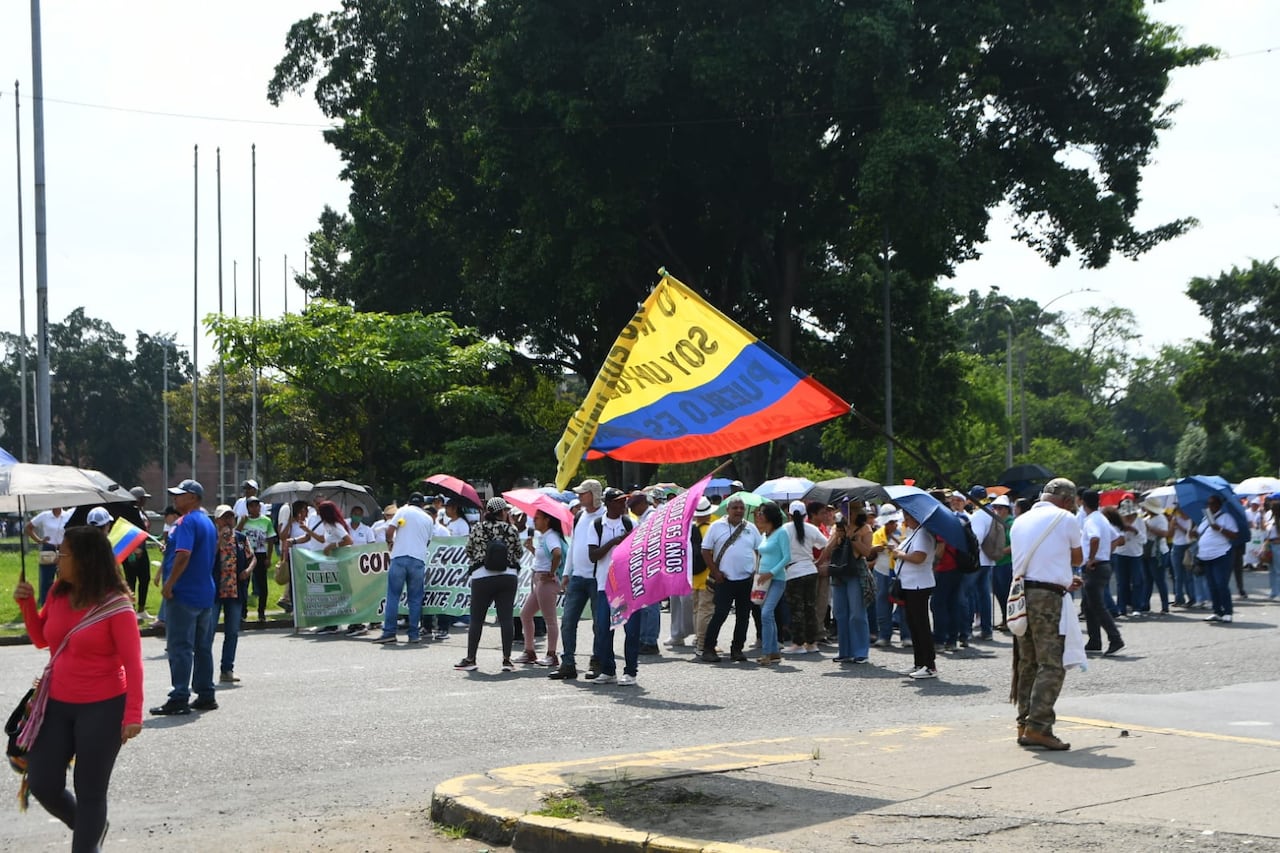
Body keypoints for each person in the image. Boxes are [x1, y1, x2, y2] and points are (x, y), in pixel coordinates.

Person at [13, 525, 143, 851]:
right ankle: (91, 827)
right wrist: (27, 605)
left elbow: (133, 665)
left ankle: (87, 838)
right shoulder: (59, 591)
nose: (58, 559)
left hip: (103, 706)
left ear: (84, 559)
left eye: (64, 553)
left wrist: (133, 714)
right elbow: (43, 638)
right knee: (43, 782)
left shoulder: (117, 605)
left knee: (90, 791)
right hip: (56, 703)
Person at [1009, 477, 1084, 751]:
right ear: (1067, 500)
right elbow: (1077, 559)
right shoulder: (1066, 518)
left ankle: (1023, 723)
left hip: (1020, 594)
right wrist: (1065, 575)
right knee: (1052, 663)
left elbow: (1040, 562)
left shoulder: (1020, 520)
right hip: (1047, 598)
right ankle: (1039, 727)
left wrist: (1062, 578)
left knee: (1027, 662)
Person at [151, 478, 219, 716]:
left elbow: (183, 555)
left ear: (193, 498)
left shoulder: (186, 522)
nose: (175, 498)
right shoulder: (208, 522)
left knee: (179, 647)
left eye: (180, 494)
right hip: (204, 592)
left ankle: (179, 696)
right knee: (202, 647)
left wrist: (169, 584)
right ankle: (206, 693)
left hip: (184, 593)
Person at [454, 498, 522, 671]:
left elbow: (469, 550)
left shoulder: (477, 527)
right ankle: (507, 659)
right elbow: (519, 552)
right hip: (507, 576)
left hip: (481, 576)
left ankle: (471, 659)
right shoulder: (511, 529)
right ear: (501, 512)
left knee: (477, 619)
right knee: (506, 618)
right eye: (505, 510)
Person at [549, 479, 605, 681]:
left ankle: (597, 661)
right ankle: (568, 663)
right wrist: (566, 572)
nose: (579, 496)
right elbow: (574, 545)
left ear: (594, 494)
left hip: (598, 577)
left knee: (599, 623)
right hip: (578, 576)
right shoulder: (580, 516)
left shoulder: (606, 516)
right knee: (568, 621)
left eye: (583, 493)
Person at [584, 487, 640, 685]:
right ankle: (608, 670)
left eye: (624, 500)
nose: (623, 504)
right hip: (604, 584)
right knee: (603, 628)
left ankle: (630, 671)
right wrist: (614, 542)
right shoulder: (597, 525)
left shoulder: (630, 523)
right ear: (608, 504)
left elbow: (637, 554)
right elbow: (593, 556)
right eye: (618, 501)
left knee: (631, 629)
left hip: (625, 586)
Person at [699, 494, 763, 663]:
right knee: (720, 614)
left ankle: (737, 650)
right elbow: (705, 550)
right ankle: (708, 649)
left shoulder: (751, 528)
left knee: (743, 616)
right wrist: (715, 572)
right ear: (727, 509)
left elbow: (759, 550)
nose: (739, 511)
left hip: (746, 580)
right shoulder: (716, 526)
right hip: (724, 580)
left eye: (741, 508)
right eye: (735, 508)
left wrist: (756, 572)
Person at [374, 492, 434, 645]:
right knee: (415, 599)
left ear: (408, 501)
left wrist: (390, 542)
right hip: (418, 560)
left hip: (399, 557)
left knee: (393, 596)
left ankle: (389, 633)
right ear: (422, 504)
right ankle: (414, 634)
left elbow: (390, 530)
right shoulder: (428, 518)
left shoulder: (403, 511)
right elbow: (428, 541)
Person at [894, 506, 939, 679]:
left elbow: (919, 557)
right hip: (910, 584)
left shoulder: (923, 534)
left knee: (921, 625)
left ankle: (929, 665)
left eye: (908, 516)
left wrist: (900, 554)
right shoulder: (916, 532)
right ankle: (919, 662)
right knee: (913, 624)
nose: (906, 520)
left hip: (918, 584)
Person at [1080, 490, 1125, 656]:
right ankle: (1094, 641)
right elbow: (1118, 538)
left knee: (1097, 605)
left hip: (1095, 567)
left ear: (1083, 503)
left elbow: (1094, 538)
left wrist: (1092, 558)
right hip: (1103, 564)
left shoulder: (1091, 520)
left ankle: (1115, 638)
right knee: (1088, 605)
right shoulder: (1102, 518)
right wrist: (1106, 553)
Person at [780, 500, 828, 654]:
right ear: (805, 515)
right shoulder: (812, 529)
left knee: (796, 609)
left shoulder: (784, 529)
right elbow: (826, 545)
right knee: (810, 608)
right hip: (810, 569)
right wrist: (819, 561)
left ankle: (797, 643)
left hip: (793, 572)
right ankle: (811, 643)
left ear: (789, 514)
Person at [518, 509, 565, 667]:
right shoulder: (545, 536)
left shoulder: (551, 536)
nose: (534, 521)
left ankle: (552, 654)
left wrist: (551, 573)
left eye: (537, 518)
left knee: (550, 620)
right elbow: (547, 556)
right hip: (540, 580)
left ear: (547, 520)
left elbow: (557, 554)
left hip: (546, 581)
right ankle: (529, 651)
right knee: (525, 614)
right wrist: (531, 548)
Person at [212, 505, 253, 683]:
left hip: (235, 591)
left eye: (231, 517)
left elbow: (252, 558)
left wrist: (248, 570)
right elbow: (207, 558)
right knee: (208, 632)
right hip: (214, 591)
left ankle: (227, 669)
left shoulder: (241, 539)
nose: (228, 521)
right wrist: (219, 540)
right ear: (217, 521)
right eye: (224, 518)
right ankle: (203, 673)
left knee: (232, 632)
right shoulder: (211, 537)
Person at [829, 509, 874, 664]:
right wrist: (838, 537)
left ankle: (861, 651)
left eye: (852, 509)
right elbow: (829, 549)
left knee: (857, 612)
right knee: (840, 613)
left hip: (856, 571)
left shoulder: (865, 528)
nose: (848, 513)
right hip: (839, 571)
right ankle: (845, 651)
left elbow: (867, 552)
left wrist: (853, 539)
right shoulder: (837, 527)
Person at [308, 501, 355, 634]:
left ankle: (354, 622)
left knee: (344, 591)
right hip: (331, 563)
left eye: (320, 511)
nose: (317, 513)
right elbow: (323, 539)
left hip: (340, 562)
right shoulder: (326, 525)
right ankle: (332, 622)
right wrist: (308, 531)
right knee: (333, 593)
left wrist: (332, 546)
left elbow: (348, 540)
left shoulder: (336, 525)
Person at [1193, 494, 1239, 623]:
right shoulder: (1205, 519)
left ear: (1219, 505)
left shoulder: (1226, 517)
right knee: (1212, 585)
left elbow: (1234, 535)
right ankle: (1217, 611)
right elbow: (1200, 533)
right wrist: (1194, 533)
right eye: (1208, 504)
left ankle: (1228, 612)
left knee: (1221, 584)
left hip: (1221, 555)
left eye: (1212, 503)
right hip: (1206, 556)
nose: (1210, 506)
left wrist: (1219, 528)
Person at [754, 502, 789, 665]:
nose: (758, 516)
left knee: (766, 613)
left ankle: (767, 652)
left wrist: (771, 573)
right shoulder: (764, 534)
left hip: (776, 579)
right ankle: (774, 651)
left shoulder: (782, 533)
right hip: (762, 580)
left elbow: (787, 557)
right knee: (768, 615)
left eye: (762, 513)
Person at [871, 504, 907, 648]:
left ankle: (907, 636)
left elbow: (906, 548)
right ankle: (884, 635)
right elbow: (870, 551)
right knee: (882, 603)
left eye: (893, 522)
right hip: (881, 571)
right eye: (888, 522)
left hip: (900, 572)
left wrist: (896, 545)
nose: (891, 525)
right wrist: (878, 548)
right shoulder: (877, 534)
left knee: (903, 603)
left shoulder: (902, 533)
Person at [236, 496, 277, 622]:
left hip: (260, 553)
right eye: (252, 506)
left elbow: (270, 540)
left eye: (257, 506)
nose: (255, 508)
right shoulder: (243, 520)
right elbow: (236, 534)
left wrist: (269, 557)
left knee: (262, 584)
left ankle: (261, 612)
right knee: (244, 584)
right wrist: (242, 523)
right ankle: (243, 612)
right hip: (246, 554)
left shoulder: (266, 521)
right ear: (248, 508)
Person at [121, 486, 154, 622]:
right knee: (131, 579)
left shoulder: (141, 512)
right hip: (131, 550)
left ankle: (141, 608)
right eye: (143, 499)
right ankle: (131, 608)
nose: (145, 501)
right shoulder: (128, 512)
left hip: (142, 548)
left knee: (145, 578)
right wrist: (135, 548)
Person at [26, 505, 68, 607]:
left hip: (63, 548)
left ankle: (62, 602)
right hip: (48, 548)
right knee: (46, 577)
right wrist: (39, 540)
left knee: (64, 576)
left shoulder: (67, 515)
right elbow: (28, 528)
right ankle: (45, 603)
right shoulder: (45, 515)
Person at [1112, 499, 1147, 617]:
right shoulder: (1117, 522)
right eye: (1125, 515)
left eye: (1130, 515)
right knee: (1122, 582)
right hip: (1120, 554)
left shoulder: (1140, 521)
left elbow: (1144, 540)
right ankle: (1121, 607)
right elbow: (1115, 538)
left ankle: (1136, 606)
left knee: (1137, 581)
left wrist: (1135, 531)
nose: (1128, 517)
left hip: (1136, 554)